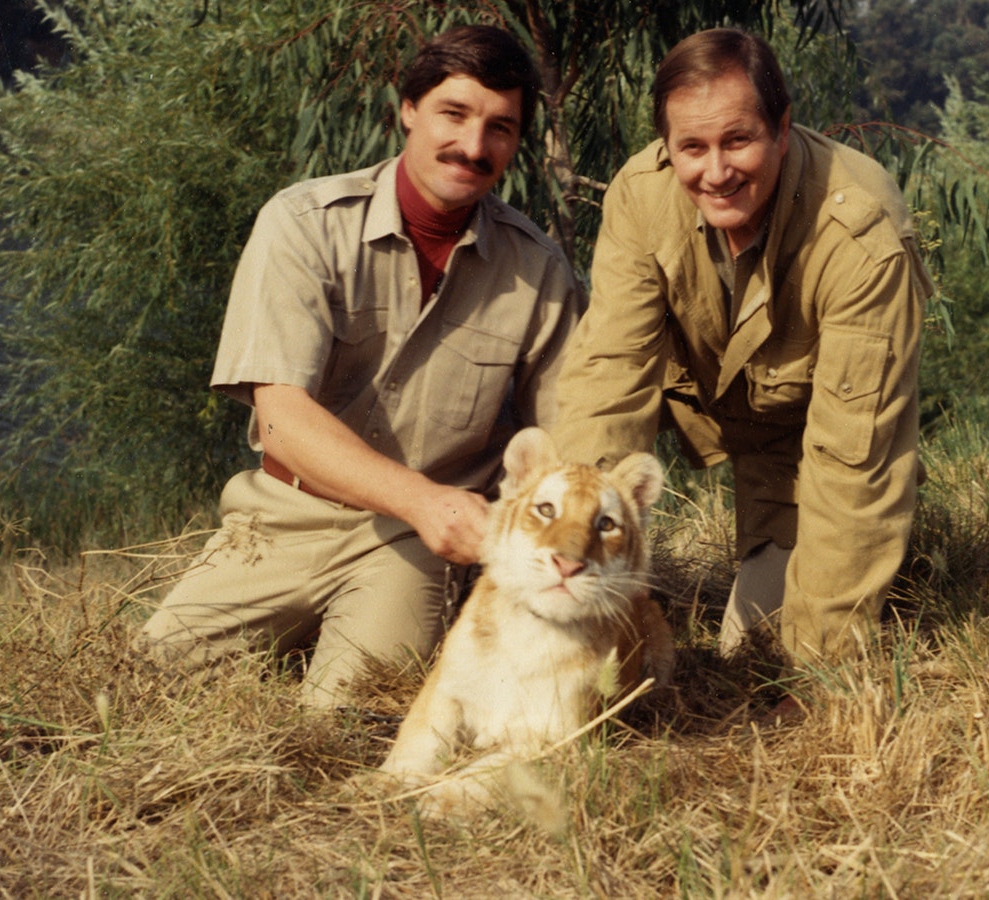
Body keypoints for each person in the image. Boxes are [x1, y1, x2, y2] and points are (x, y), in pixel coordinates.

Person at [139, 25, 583, 709]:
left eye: (500, 127)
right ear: (408, 109)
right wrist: (424, 499)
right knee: (145, 681)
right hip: (285, 515)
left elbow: (565, 450)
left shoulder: (539, 271)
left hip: (412, 549)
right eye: (454, 114)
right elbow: (282, 421)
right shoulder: (303, 224)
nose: (473, 146)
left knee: (344, 720)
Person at [552, 27, 932, 667]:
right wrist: (571, 553)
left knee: (757, 657)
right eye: (691, 148)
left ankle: (890, 567)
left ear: (782, 129)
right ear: (667, 147)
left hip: (802, 452)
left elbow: (855, 460)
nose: (716, 171)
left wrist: (817, 672)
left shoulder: (859, 235)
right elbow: (608, 381)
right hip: (696, 406)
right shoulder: (641, 197)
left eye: (739, 140)